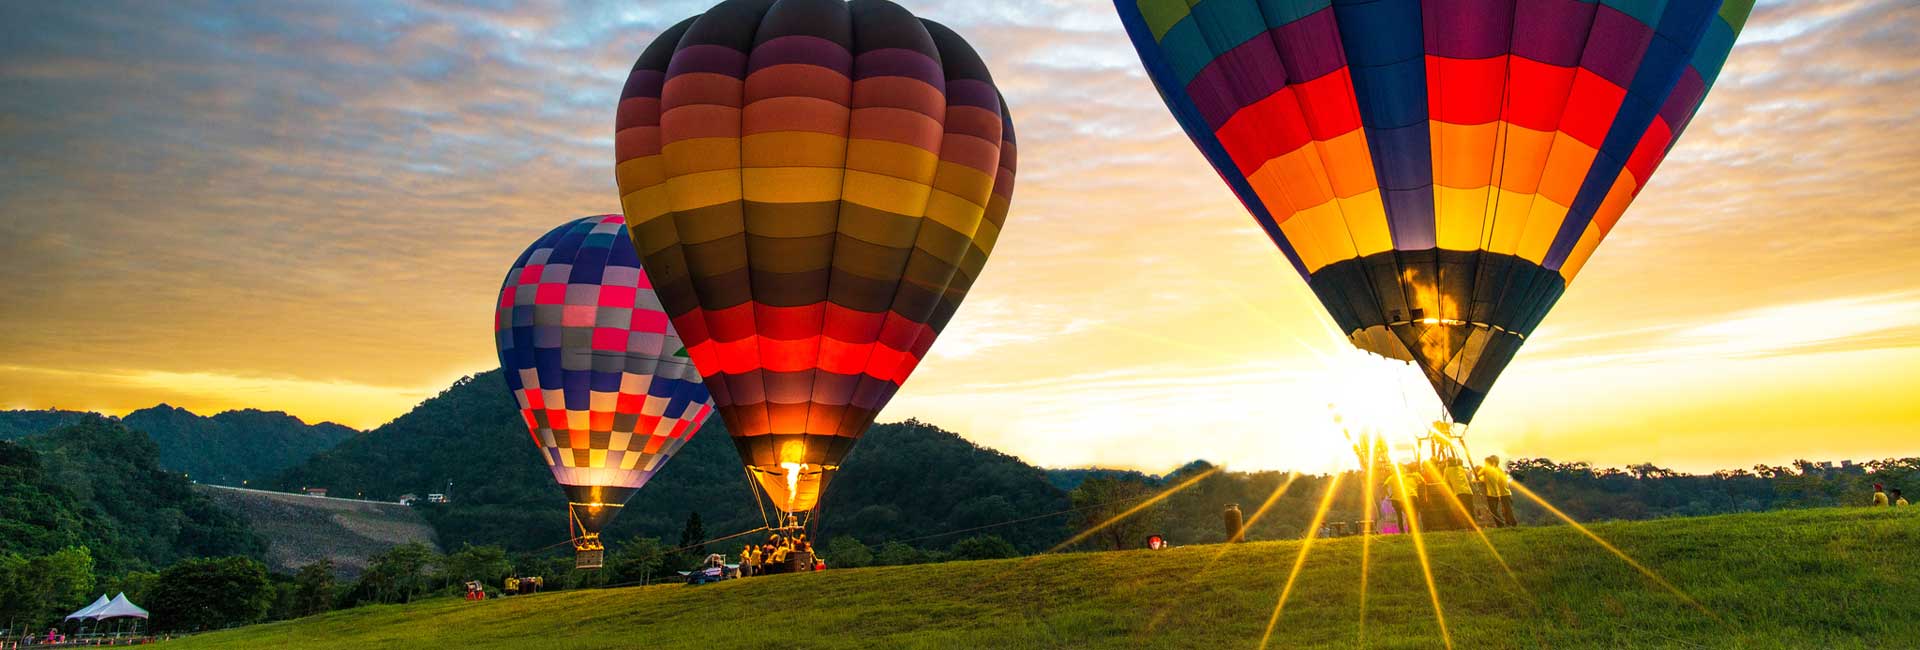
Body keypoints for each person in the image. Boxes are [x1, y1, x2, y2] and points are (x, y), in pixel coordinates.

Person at [1478, 455, 1515, 528]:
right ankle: (1509, 524)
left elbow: (1482, 477)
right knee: (1506, 511)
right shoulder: (1498, 470)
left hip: (1503, 493)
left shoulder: (1494, 470)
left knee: (1506, 511)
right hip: (1502, 493)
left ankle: (1510, 524)